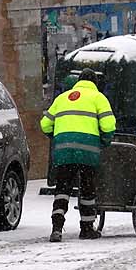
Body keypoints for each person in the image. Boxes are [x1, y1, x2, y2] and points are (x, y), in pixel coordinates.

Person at [40, 69, 117, 242]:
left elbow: (45, 124)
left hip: (64, 151)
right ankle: (87, 228)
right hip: (88, 151)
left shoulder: (62, 98)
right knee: (87, 189)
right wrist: (104, 140)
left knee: (62, 189)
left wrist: (58, 137)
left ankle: (57, 228)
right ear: (95, 83)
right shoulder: (98, 98)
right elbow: (108, 125)